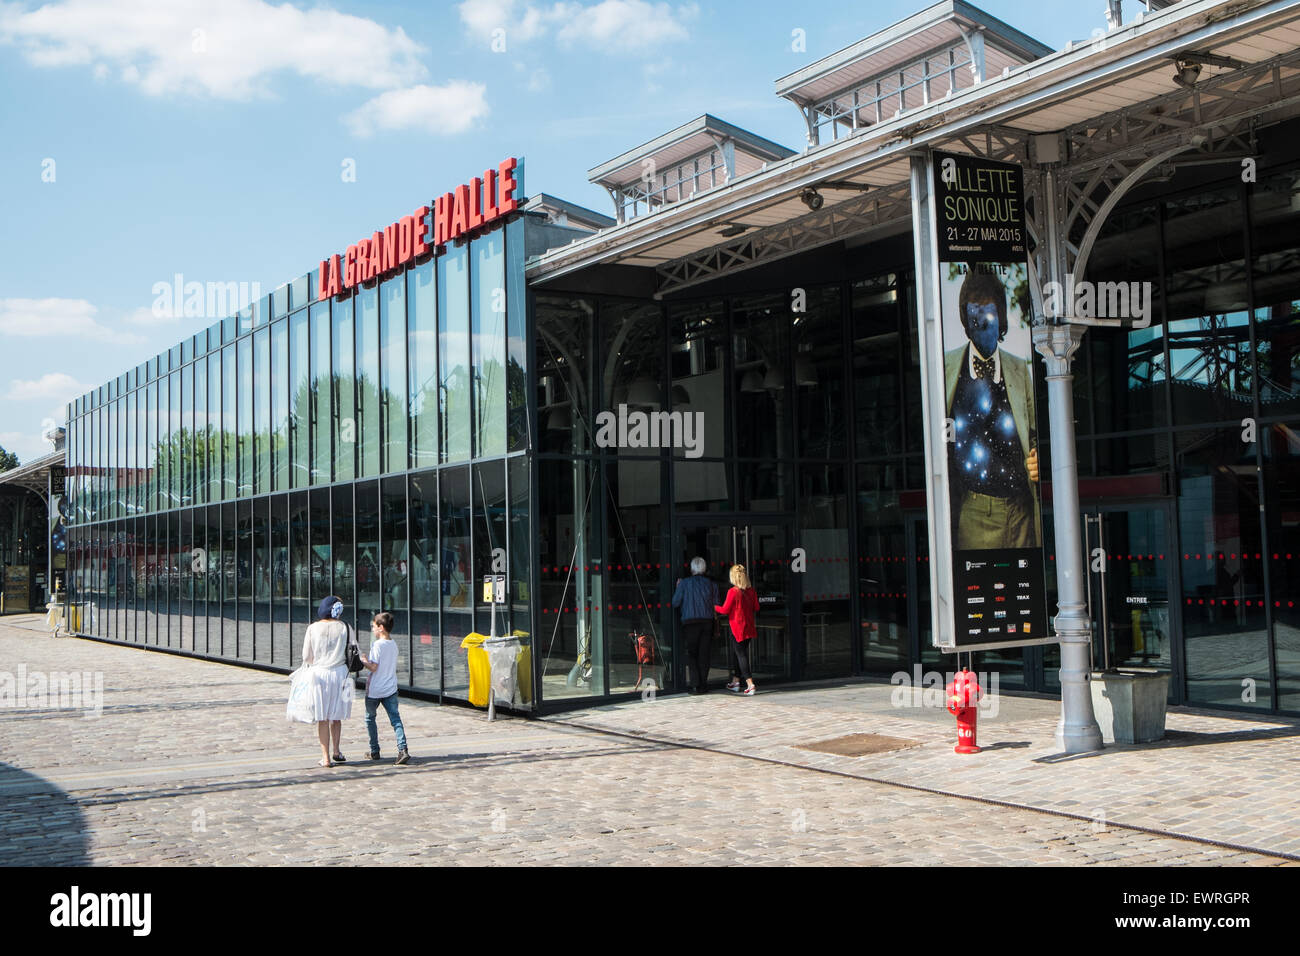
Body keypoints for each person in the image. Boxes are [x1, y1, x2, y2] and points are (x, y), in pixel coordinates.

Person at [943, 267, 1040, 550]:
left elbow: (1035, 433)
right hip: (974, 511)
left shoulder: (1020, 368)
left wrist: (1038, 457)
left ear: (1001, 318)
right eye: (976, 319)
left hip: (1021, 509)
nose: (984, 326)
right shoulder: (947, 367)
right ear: (966, 321)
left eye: (990, 316)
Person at [298, 595, 358, 768]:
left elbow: (306, 657)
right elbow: (354, 649)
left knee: (322, 717)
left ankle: (325, 757)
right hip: (340, 674)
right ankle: (337, 750)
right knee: (336, 716)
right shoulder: (346, 627)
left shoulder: (313, 628)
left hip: (320, 674)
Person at [359, 611, 410, 765]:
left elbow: (374, 667)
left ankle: (374, 750)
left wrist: (363, 661)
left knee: (370, 718)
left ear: (381, 628)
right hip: (390, 688)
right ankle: (403, 749)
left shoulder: (377, 645)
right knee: (396, 720)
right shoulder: (393, 644)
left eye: (374, 626)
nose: (373, 629)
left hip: (375, 689)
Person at [672, 557, 719, 694]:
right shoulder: (711, 584)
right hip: (707, 622)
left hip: (690, 622)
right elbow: (716, 604)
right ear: (704, 569)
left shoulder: (684, 583)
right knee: (704, 654)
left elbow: (675, 602)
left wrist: (677, 588)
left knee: (692, 654)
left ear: (692, 569)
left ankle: (695, 685)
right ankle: (703, 685)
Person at [715, 564, 759, 696]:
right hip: (749, 627)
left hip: (737, 628)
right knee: (738, 654)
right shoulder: (751, 591)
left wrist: (713, 607)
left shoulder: (733, 592)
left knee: (741, 655)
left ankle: (750, 684)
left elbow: (725, 610)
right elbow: (756, 607)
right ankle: (736, 681)